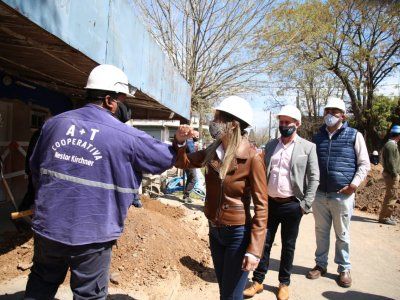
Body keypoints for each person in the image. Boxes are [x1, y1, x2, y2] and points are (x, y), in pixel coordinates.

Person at [24, 64, 188, 299]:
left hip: (49, 226)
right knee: (89, 294)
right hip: (93, 232)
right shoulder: (127, 136)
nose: (124, 107)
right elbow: (165, 158)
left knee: (41, 284)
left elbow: (35, 168)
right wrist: (180, 143)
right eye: (123, 101)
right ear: (110, 101)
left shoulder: (53, 124)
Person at [175, 96, 268, 300]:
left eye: (218, 117)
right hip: (215, 231)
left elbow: (262, 206)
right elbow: (183, 163)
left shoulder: (253, 157)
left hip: (238, 234)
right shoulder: (213, 151)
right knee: (224, 292)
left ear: (233, 124)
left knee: (230, 296)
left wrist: (254, 250)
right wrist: (181, 142)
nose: (213, 121)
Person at [243, 105, 319, 300]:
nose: (284, 125)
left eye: (288, 122)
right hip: (269, 204)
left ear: (297, 124)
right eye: (281, 122)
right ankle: (258, 281)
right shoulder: (270, 145)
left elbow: (314, 177)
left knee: (288, 245)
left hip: (292, 205)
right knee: (264, 243)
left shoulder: (308, 148)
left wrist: (305, 205)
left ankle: (284, 283)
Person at [307, 97, 370, 288]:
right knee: (321, 232)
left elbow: (364, 163)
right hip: (320, 194)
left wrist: (353, 185)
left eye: (335, 111)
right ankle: (320, 264)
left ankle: (344, 268)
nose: (330, 114)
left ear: (342, 115)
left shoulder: (354, 135)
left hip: (342, 194)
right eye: (327, 111)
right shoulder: (317, 138)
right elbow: (310, 165)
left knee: (342, 234)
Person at [378, 125, 400, 225]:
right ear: (398, 135)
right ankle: (384, 217)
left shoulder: (390, 144)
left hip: (390, 174)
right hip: (391, 175)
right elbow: (391, 162)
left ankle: (387, 215)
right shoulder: (391, 145)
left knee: (392, 195)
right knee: (391, 196)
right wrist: (395, 174)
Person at [182, 137, 197, 203]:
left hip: (185, 162)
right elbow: (192, 152)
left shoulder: (185, 139)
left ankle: (186, 196)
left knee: (190, 178)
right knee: (193, 179)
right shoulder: (189, 140)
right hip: (189, 162)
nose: (197, 136)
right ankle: (186, 195)